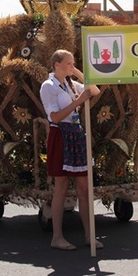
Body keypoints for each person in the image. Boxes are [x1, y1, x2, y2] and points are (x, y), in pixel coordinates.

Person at [39, 49, 102, 251]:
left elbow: (95, 91)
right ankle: (57, 237)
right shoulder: (48, 86)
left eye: (73, 63)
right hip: (60, 134)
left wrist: (78, 73)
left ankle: (89, 235)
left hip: (76, 134)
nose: (71, 66)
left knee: (84, 187)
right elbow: (55, 117)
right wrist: (78, 102)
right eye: (68, 63)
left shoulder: (70, 83)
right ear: (57, 64)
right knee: (62, 186)